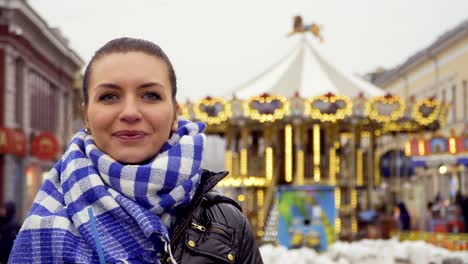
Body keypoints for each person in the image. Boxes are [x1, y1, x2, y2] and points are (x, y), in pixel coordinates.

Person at [10, 37, 263, 264]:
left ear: (174, 114)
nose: (130, 112)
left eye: (150, 95)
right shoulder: (47, 222)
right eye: (109, 96)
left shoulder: (226, 224)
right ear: (86, 115)